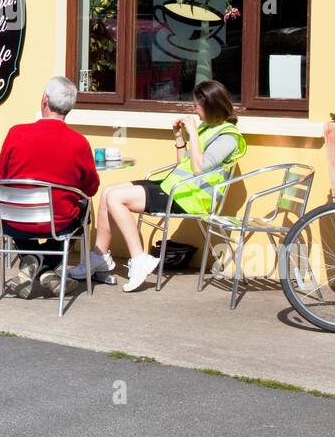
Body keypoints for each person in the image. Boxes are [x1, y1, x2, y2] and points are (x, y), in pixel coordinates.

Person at [70, 79, 247, 292]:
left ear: (211, 105)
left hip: (189, 199)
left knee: (116, 198)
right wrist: (178, 137)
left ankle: (139, 258)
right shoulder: (208, 128)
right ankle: (99, 257)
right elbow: (184, 162)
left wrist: (192, 133)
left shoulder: (228, 137)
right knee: (108, 191)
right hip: (174, 187)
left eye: (197, 105)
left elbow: (199, 168)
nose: (194, 109)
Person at [0, 76, 100, 300]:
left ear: (44, 101)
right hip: (57, 224)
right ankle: (46, 265)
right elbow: (91, 188)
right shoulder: (79, 143)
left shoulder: (15, 133)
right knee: (84, 212)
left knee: (5, 208)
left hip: (13, 221)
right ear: (70, 107)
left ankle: (31, 260)